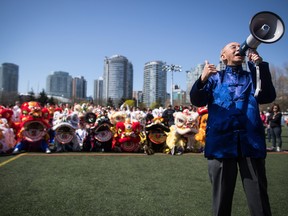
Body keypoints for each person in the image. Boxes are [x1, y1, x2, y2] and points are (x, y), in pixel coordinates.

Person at [190, 42, 276, 216]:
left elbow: (267, 95)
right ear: (223, 56)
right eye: (233, 47)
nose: (238, 48)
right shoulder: (214, 78)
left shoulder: (252, 75)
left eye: (240, 46)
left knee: (259, 203)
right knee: (221, 204)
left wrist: (258, 66)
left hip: (251, 144)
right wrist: (202, 79)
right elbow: (197, 100)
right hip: (221, 144)